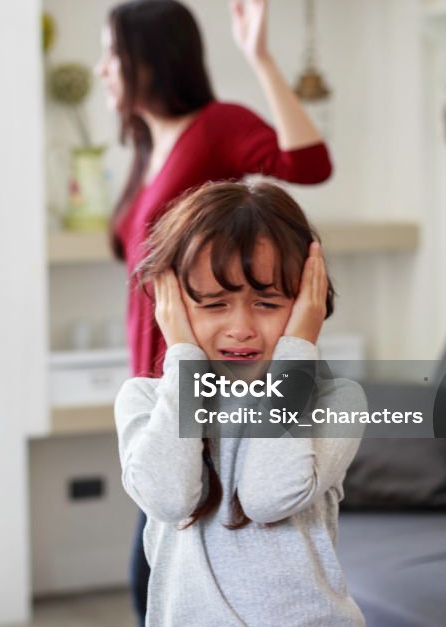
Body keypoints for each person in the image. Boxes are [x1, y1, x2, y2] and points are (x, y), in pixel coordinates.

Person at [96, 0, 334, 623]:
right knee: (163, 535)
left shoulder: (216, 125)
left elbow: (307, 163)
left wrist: (258, 56)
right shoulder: (147, 144)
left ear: (149, 58)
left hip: (210, 371)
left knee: (177, 542)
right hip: (163, 371)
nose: (102, 69)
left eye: (112, 54)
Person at [115, 180, 365, 626]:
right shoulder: (146, 401)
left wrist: (297, 348)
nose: (241, 327)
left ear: (306, 302)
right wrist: (184, 361)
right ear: (172, 305)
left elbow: (270, 496)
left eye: (267, 303)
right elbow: (170, 498)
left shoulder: (337, 401)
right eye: (214, 304)